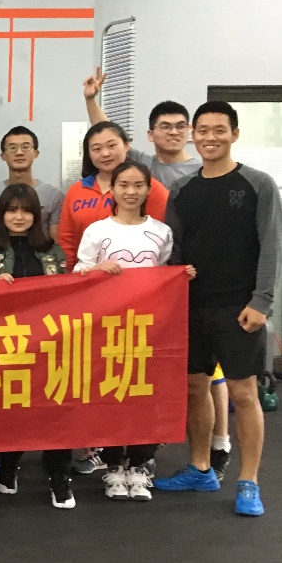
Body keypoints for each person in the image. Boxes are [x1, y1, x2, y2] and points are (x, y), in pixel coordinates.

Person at [155, 102, 282, 517]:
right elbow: (174, 248)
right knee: (196, 388)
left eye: (219, 130)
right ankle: (200, 468)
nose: (210, 138)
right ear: (194, 135)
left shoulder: (258, 184)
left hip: (240, 308)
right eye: (203, 130)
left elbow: (271, 246)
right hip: (192, 306)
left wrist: (261, 301)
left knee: (244, 394)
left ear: (234, 134)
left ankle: (249, 481)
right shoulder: (182, 190)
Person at [74, 160, 191, 502]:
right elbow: (78, 273)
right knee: (111, 393)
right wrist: (97, 269)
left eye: (138, 185)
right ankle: (112, 465)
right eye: (123, 185)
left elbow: (169, 272)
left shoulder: (162, 231)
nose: (130, 191)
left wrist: (183, 275)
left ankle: (139, 466)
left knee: (146, 396)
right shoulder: (97, 231)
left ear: (148, 189)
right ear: (112, 189)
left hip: (151, 328)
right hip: (108, 326)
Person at [0, 183, 73, 508]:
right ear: (1, 215)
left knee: (56, 411)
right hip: (7, 346)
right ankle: (8, 466)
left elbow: (71, 294)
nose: (19, 217)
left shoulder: (52, 251)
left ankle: (59, 477)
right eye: (12, 210)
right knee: (12, 410)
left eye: (26, 210)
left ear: (37, 215)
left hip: (50, 344)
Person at [57, 120, 169, 270]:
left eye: (111, 146)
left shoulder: (150, 189)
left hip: (138, 275)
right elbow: (66, 241)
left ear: (126, 146)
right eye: (96, 149)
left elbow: (162, 239)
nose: (105, 154)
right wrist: (69, 276)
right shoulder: (76, 191)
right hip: (87, 275)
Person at [84, 68, 201, 189]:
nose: (174, 132)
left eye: (180, 126)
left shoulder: (200, 170)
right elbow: (106, 132)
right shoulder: (143, 164)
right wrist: (90, 99)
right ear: (150, 134)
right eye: (166, 127)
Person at [0, 126, 65, 234]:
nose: (19, 152)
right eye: (12, 148)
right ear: (3, 155)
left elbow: (55, 238)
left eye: (25, 147)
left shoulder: (53, 195)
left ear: (36, 153)